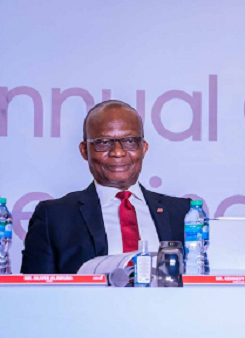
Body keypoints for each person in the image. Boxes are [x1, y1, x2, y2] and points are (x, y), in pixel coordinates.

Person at [21, 100, 190, 274]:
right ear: (84, 151)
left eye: (130, 141)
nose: (117, 152)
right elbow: (34, 293)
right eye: (103, 142)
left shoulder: (183, 213)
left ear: (143, 148)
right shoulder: (54, 217)